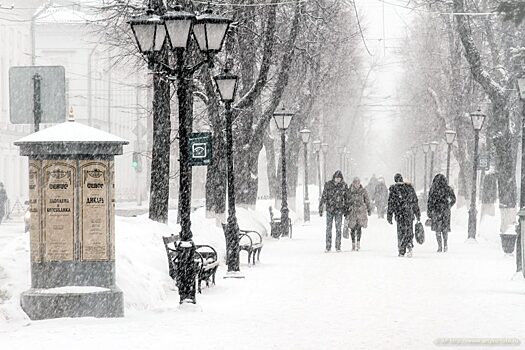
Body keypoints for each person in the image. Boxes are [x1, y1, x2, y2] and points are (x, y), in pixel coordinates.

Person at [387, 174, 421, 257]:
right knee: (409, 230)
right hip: (409, 213)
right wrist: (417, 214)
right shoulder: (409, 188)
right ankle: (409, 245)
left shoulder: (394, 190)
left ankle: (401, 250)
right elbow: (415, 202)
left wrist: (390, 215)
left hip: (399, 214)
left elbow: (391, 204)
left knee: (400, 231)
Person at [319, 170, 348, 252]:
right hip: (330, 209)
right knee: (329, 228)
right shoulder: (328, 185)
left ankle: (338, 246)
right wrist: (321, 207)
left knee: (338, 228)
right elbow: (324, 196)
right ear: (334, 178)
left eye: (339, 178)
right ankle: (328, 246)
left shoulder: (343, 186)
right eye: (336, 178)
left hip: (339, 209)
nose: (338, 180)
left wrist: (346, 210)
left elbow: (346, 199)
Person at [427, 174, 456, 252]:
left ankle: (439, 246)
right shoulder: (448, 189)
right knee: (445, 228)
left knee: (438, 229)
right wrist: (449, 205)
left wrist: (429, 211)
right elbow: (453, 199)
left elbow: (429, 201)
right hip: (445, 210)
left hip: (436, 211)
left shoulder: (433, 189)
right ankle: (445, 244)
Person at [345, 177, 372, 251]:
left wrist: (369, 209)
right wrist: (346, 209)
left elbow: (367, 200)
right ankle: (353, 243)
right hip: (352, 211)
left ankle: (358, 243)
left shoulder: (363, 191)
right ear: (353, 183)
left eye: (358, 183)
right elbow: (346, 201)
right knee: (352, 228)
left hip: (361, 211)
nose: (357, 185)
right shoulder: (349, 191)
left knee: (359, 227)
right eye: (355, 183)